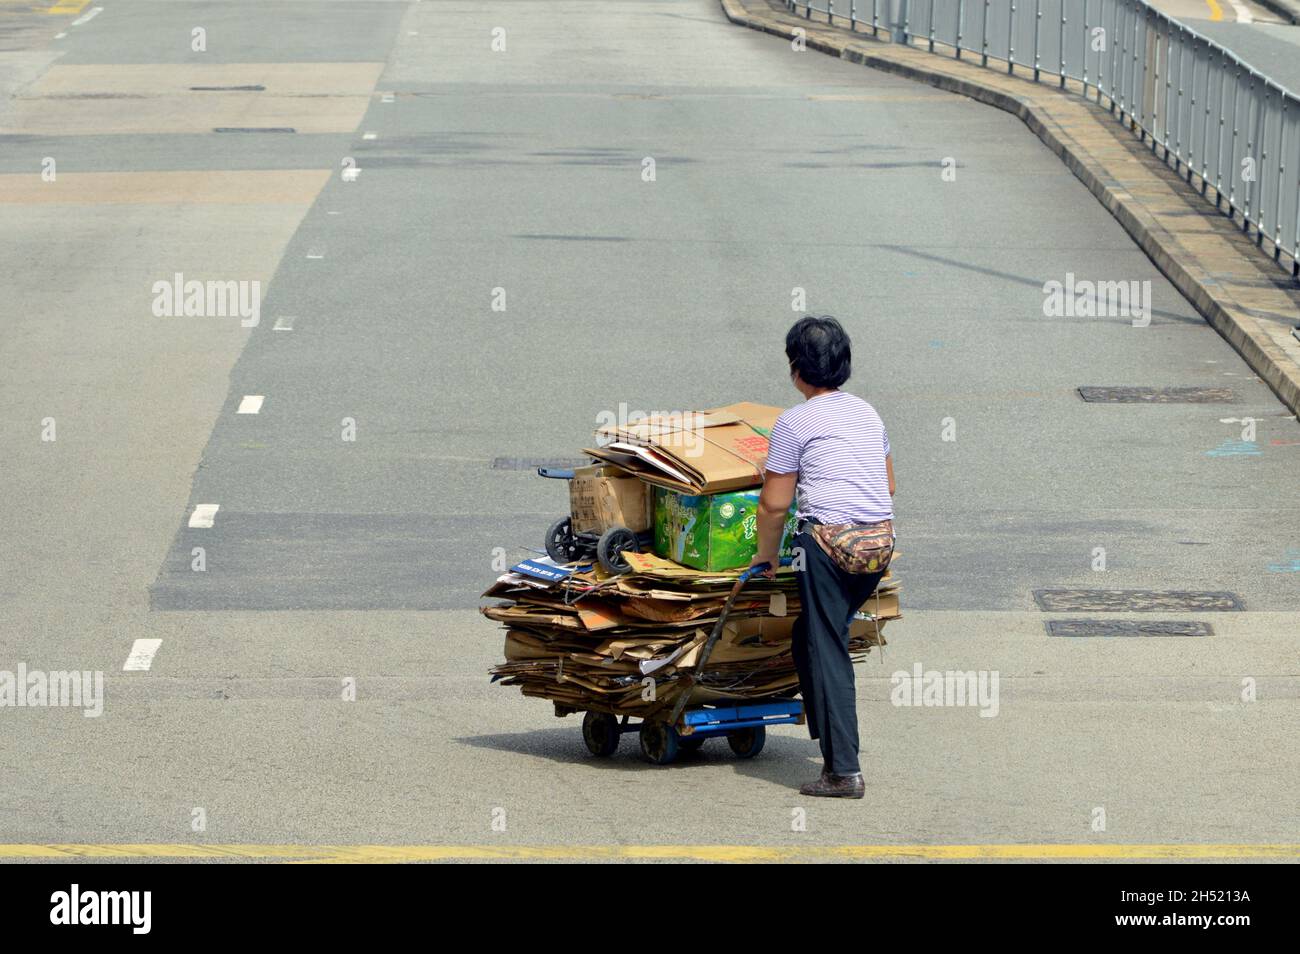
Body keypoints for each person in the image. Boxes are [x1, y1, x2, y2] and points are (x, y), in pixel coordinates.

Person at [749, 315, 895, 798]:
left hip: (827, 546)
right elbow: (888, 485)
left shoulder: (795, 421)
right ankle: (826, 732)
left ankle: (843, 772)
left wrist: (766, 559)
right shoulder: (868, 414)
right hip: (877, 546)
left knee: (824, 645)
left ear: (796, 370)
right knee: (809, 634)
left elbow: (773, 504)